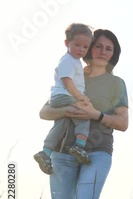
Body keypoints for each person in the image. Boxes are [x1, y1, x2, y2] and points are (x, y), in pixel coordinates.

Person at [39, 29, 128, 199]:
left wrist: (95, 114)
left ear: (113, 54)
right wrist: (67, 111)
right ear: (88, 48)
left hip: (98, 151)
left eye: (108, 49)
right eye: (98, 46)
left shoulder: (116, 84)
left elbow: (123, 123)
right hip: (63, 151)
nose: (102, 52)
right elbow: (44, 112)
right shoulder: (72, 72)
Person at [34, 23, 94, 175]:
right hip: (65, 96)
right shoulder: (67, 60)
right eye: (77, 45)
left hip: (60, 97)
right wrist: (80, 98)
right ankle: (79, 145)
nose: (81, 49)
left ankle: (46, 152)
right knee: (84, 115)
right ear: (67, 43)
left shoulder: (74, 61)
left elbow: (74, 76)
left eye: (85, 47)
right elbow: (68, 82)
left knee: (62, 123)